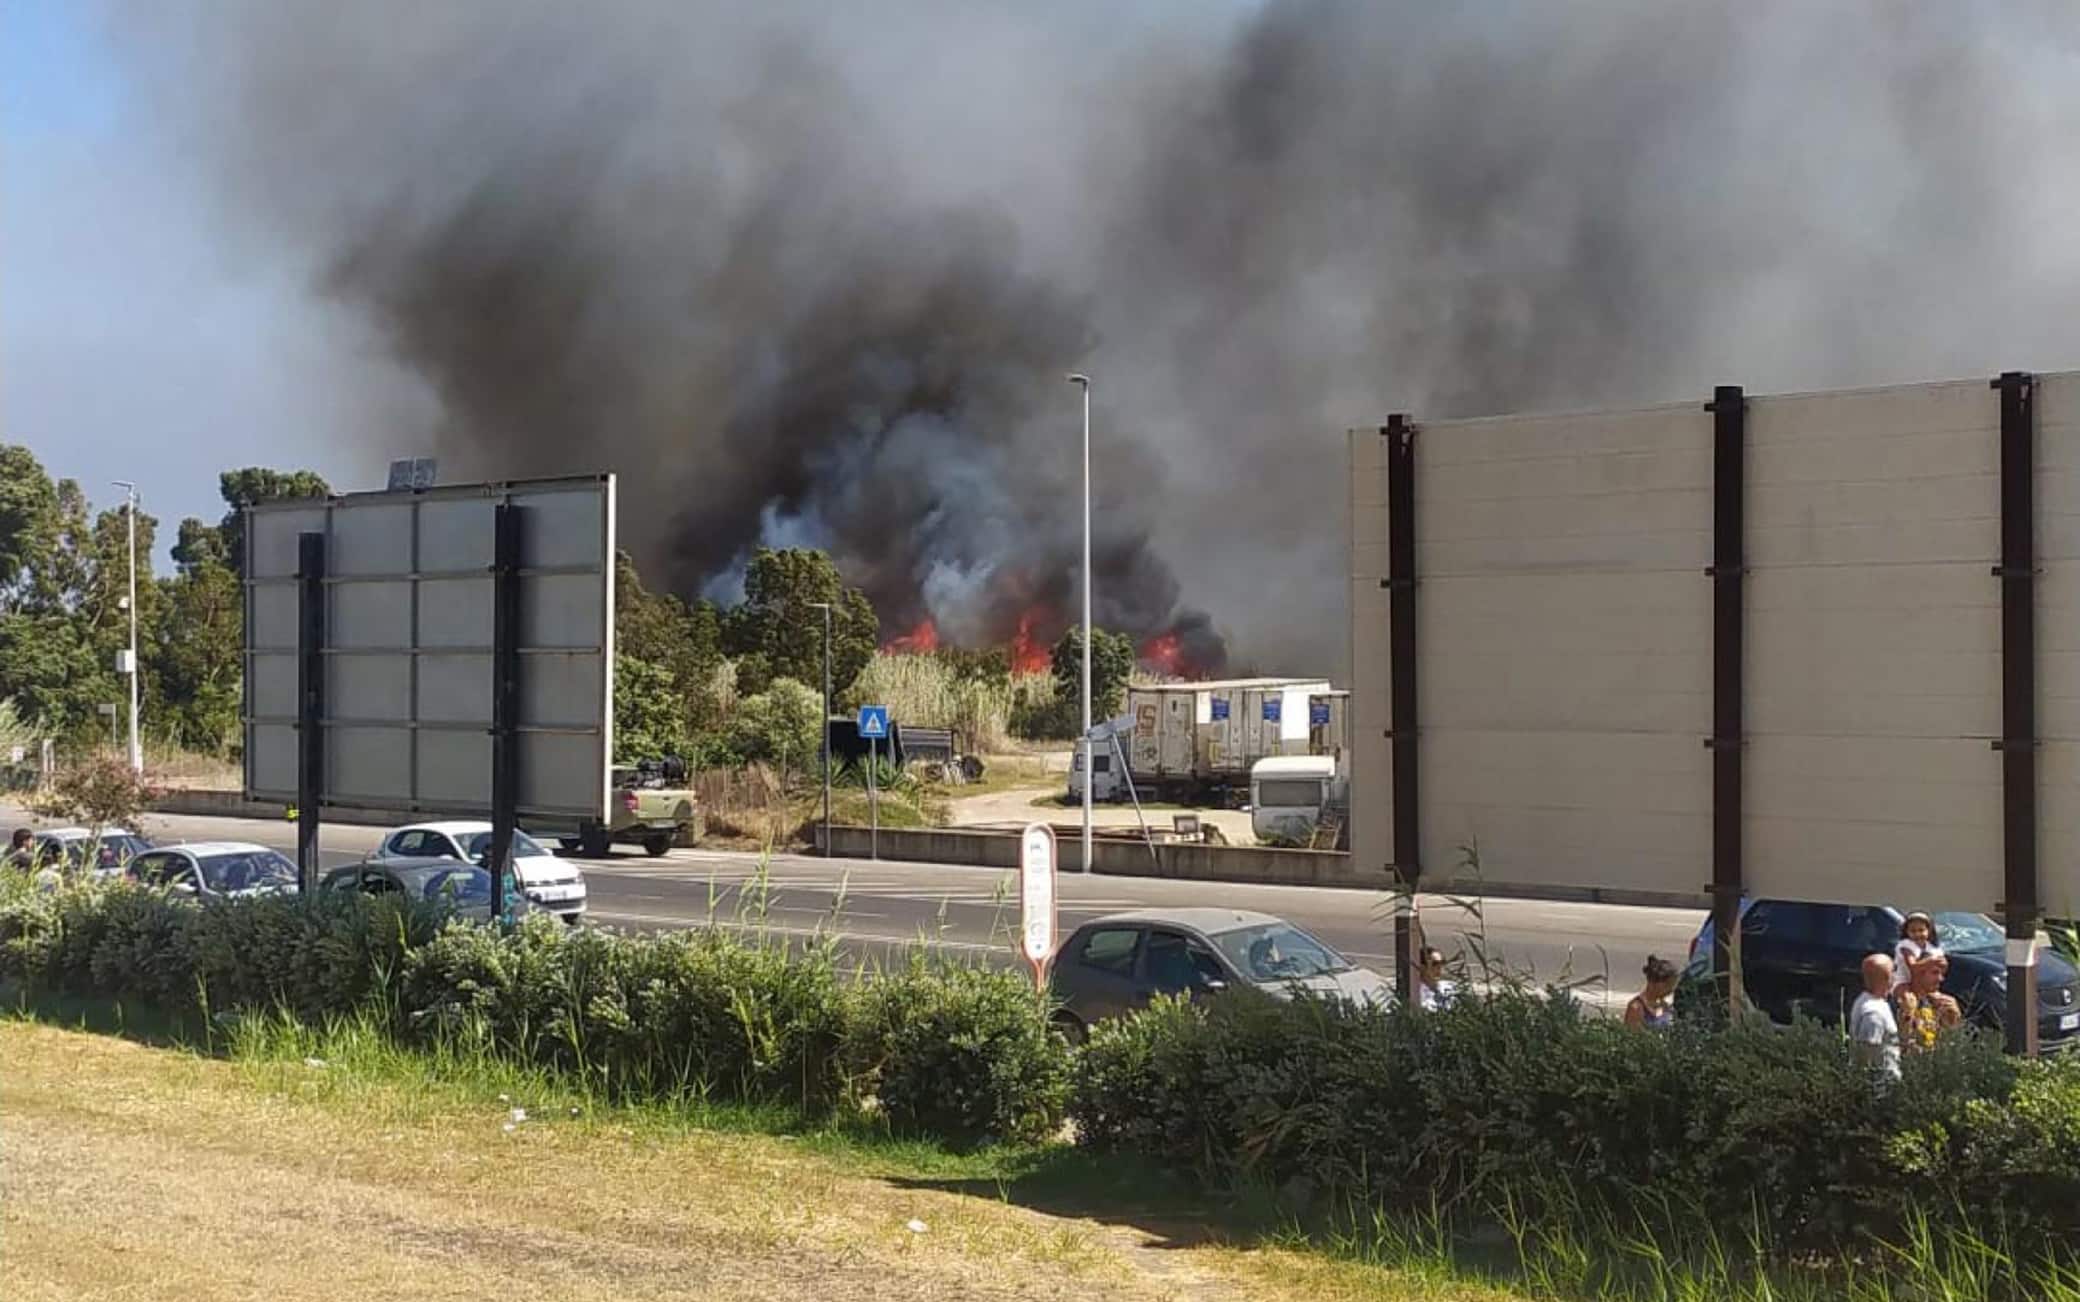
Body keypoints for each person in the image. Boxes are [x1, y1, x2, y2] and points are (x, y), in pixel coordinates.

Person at [1898, 950, 1963, 1054]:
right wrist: (1907, 1016)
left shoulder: (1936, 1002)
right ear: (1918, 974)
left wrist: (1954, 1017)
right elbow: (1901, 1046)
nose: (1940, 979)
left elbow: (1952, 1044)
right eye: (1935, 973)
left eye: (1941, 974)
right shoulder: (1903, 1001)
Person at [1850, 953, 1902, 1082]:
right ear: (1888, 977)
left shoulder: (1867, 1000)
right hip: (1880, 1088)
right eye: (1894, 971)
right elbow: (1867, 1053)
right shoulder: (1874, 1014)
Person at [1624, 955, 1680, 1030]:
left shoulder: (1665, 1006)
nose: (1671, 990)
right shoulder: (1636, 1008)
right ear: (1654, 983)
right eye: (1668, 985)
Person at [1894, 912, 1940, 992]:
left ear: (1929, 931)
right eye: (1913, 931)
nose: (1917, 934)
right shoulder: (1905, 945)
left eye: (1921, 930)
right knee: (1908, 1000)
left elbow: (1942, 967)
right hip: (1904, 983)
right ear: (1907, 932)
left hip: (1924, 985)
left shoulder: (1932, 948)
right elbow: (1913, 967)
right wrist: (1931, 961)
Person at [1416, 946, 1457, 1012]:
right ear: (1422, 967)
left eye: (1442, 963)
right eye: (1435, 964)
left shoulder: (1452, 987)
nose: (1439, 967)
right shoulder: (1415, 993)